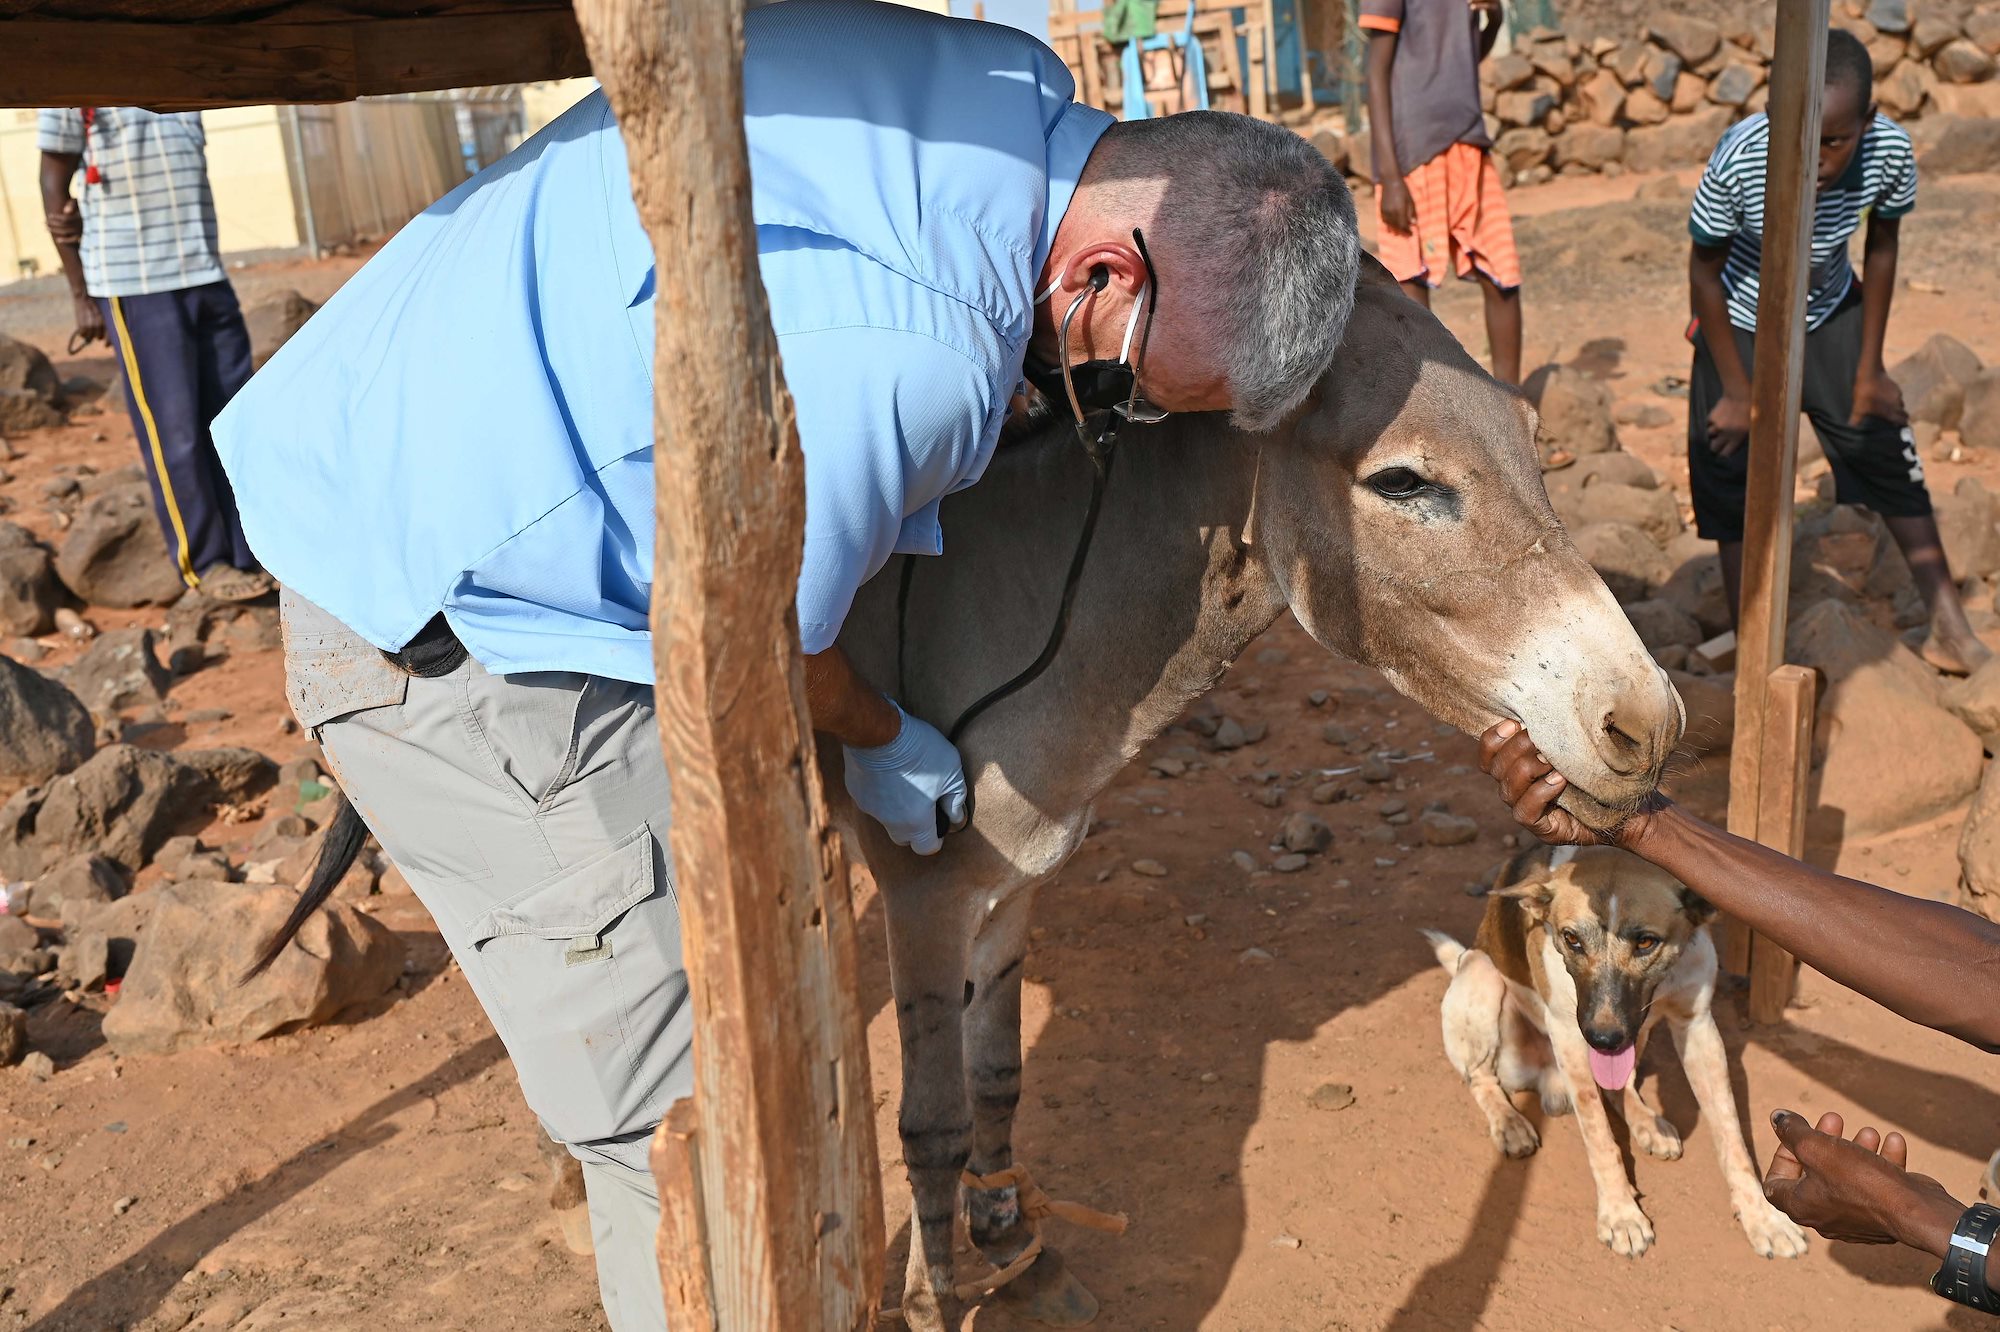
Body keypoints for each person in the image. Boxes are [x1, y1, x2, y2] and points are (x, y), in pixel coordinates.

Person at [209, 3, 1361, 1327]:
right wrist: (884, 737)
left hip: (408, 406)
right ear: (1101, 277)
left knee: (754, 990)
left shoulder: (1009, 82)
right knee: (690, 1117)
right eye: (1132, 379)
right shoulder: (913, 364)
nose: (1115, 403)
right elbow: (768, 637)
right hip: (437, 610)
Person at [1479, 719, 2000, 1314]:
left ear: (1698, 920)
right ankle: (1508, 1104)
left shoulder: (1681, 917)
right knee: (1575, 1033)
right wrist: (1614, 1194)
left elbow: (1691, 1029)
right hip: (1524, 1023)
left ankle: (1723, 1179)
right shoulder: (1553, 895)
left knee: (1624, 1033)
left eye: (1646, 943)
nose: (1603, 1012)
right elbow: (1985, 975)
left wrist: (1907, 1215)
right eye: (1572, 941)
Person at [1687, 28, 1989, 676]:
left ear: (1868, 121)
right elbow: (1704, 274)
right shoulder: (1740, 159)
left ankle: (1952, 629)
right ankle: (1750, 641)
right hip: (1739, 319)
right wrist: (1739, 392)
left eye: (1834, 141)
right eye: (1799, 136)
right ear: (1772, 116)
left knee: (1885, 446)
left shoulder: (1887, 150)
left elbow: (1882, 246)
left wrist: (1870, 367)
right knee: (1729, 470)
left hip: (1827, 312)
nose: (1816, 158)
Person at [37, 107, 272, 603]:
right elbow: (53, 181)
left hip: (206, 273)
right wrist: (81, 295)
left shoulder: (183, 75)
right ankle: (205, 563)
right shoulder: (74, 79)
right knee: (176, 434)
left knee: (234, 424)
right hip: (135, 285)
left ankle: (252, 551)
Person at [1361, 0, 1523, 387]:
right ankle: (1431, 406)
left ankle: (1513, 408)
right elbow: (1376, 72)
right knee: (1411, 283)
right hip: (1412, 152)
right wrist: (1390, 175)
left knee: (1503, 273)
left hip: (1468, 139)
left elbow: (1463, 61)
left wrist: (1495, 19)